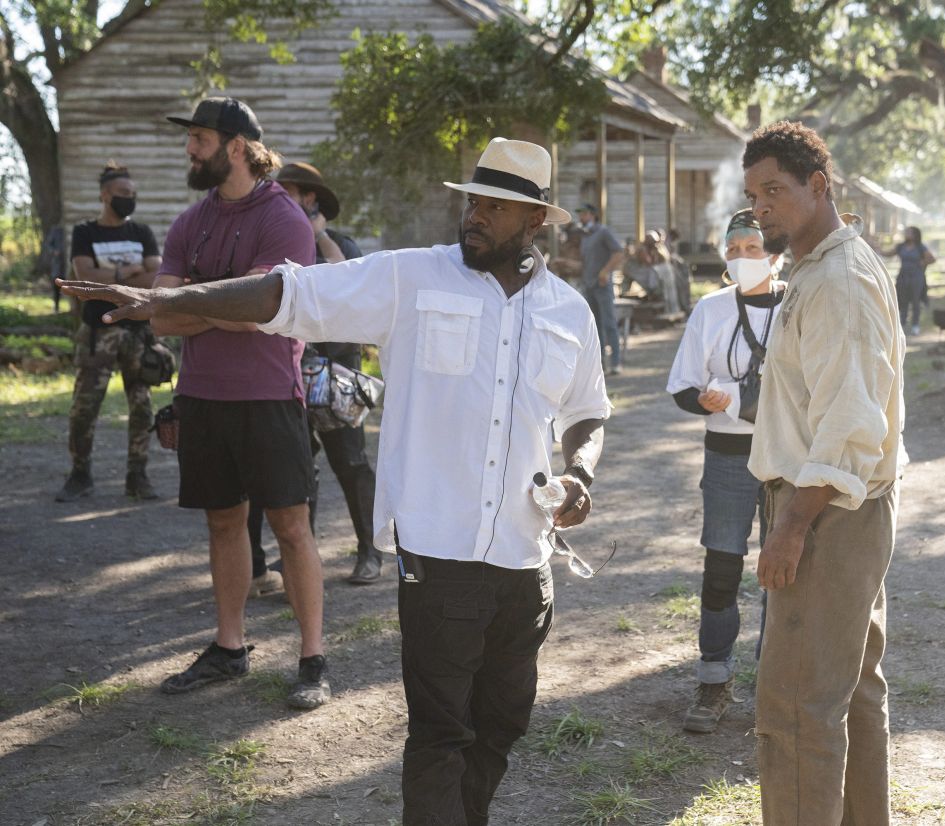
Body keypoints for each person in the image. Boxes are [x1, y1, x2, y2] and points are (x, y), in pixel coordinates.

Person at [59, 136, 611, 826]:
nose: (474, 215)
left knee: (502, 724)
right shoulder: (412, 279)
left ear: (535, 221)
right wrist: (166, 296)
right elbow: (288, 293)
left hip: (527, 559)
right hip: (438, 555)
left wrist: (581, 471)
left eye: (494, 207)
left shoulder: (569, 311)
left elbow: (587, 410)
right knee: (442, 734)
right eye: (472, 200)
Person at [742, 121, 905, 825]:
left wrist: (791, 527)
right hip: (843, 507)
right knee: (848, 692)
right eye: (753, 195)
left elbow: (848, 423)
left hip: (824, 513)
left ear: (819, 186)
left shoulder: (837, 279)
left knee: (798, 704)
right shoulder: (819, 267)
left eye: (774, 191)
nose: (761, 208)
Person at [154, 97, 329, 708]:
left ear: (235, 146)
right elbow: (160, 317)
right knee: (223, 521)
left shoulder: (285, 220)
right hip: (201, 396)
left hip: (268, 397)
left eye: (198, 138)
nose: (189, 149)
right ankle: (230, 648)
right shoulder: (188, 222)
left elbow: (262, 315)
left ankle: (313, 658)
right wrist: (217, 309)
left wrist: (194, 307)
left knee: (290, 526)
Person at [667, 208, 784, 734]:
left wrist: (737, 395)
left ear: (775, 254)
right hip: (729, 459)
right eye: (732, 249)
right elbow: (682, 387)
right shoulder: (711, 310)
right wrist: (708, 400)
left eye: (751, 248)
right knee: (722, 570)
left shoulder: (801, 304)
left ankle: (778, 683)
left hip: (788, 458)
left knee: (785, 574)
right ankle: (714, 678)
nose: (740, 257)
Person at [244, 161, 383, 592]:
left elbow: (355, 290)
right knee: (298, 473)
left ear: (311, 198)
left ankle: (370, 551)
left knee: (352, 465)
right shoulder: (276, 242)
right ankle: (300, 566)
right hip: (288, 376)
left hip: (337, 376)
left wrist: (317, 234)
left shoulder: (339, 243)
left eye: (291, 191)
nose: (281, 197)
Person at [55, 162, 162, 503]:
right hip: (97, 333)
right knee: (85, 406)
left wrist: (108, 277)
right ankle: (80, 474)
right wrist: (127, 271)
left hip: (138, 332)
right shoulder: (86, 232)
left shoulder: (142, 232)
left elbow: (155, 279)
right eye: (123, 194)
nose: (130, 199)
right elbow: (82, 276)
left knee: (143, 407)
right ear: (105, 195)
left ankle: (137, 476)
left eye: (133, 194)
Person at [577, 203, 626, 374]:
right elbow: (585, 262)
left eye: (582, 214)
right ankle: (600, 365)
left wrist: (605, 271)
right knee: (594, 326)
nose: (580, 218)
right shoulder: (585, 237)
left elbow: (619, 252)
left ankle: (616, 362)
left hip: (602, 286)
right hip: (588, 285)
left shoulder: (603, 232)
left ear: (592, 215)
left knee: (609, 323)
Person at [883, 226, 934, 335]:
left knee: (915, 301)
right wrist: (877, 250)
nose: (907, 234)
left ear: (915, 235)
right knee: (902, 300)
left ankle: (915, 325)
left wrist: (923, 263)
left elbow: (932, 259)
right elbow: (888, 254)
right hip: (903, 277)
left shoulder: (920, 247)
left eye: (909, 232)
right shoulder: (901, 247)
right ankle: (902, 323)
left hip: (916, 277)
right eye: (906, 232)